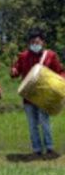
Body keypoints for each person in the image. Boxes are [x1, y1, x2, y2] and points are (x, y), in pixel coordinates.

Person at [10, 28, 64, 156]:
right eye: (32, 42)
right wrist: (13, 71)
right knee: (32, 124)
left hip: (44, 95)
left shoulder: (50, 55)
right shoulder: (23, 56)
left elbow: (60, 71)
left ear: (43, 42)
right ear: (29, 43)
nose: (35, 44)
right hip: (28, 96)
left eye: (37, 42)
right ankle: (37, 150)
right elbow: (16, 72)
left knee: (44, 121)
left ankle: (49, 148)